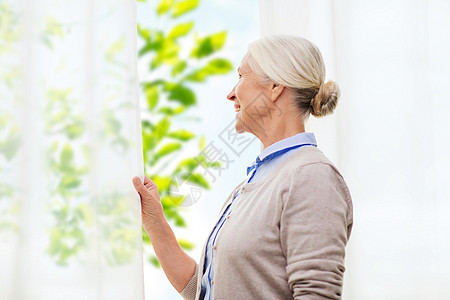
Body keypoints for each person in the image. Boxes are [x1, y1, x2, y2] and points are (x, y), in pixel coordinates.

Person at [133, 34, 353, 300]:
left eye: (241, 76)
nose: (231, 93)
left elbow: (316, 295)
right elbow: (204, 290)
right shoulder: (253, 182)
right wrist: (154, 222)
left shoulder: (311, 175)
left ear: (274, 86)